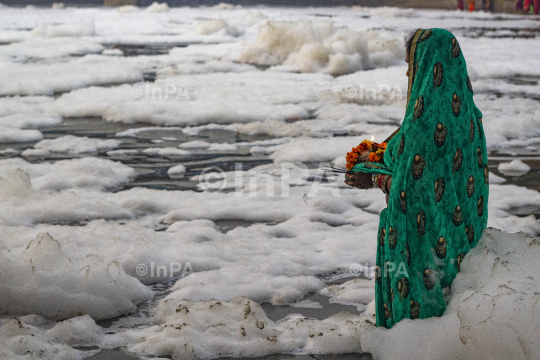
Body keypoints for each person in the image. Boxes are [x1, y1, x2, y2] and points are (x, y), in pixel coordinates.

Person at [344, 28, 489, 329]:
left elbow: (411, 188)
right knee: (453, 320)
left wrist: (371, 179)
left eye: (412, 65)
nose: (408, 73)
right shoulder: (470, 117)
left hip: (420, 250)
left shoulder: (421, 128)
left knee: (418, 331)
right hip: (458, 242)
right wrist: (381, 156)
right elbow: (437, 172)